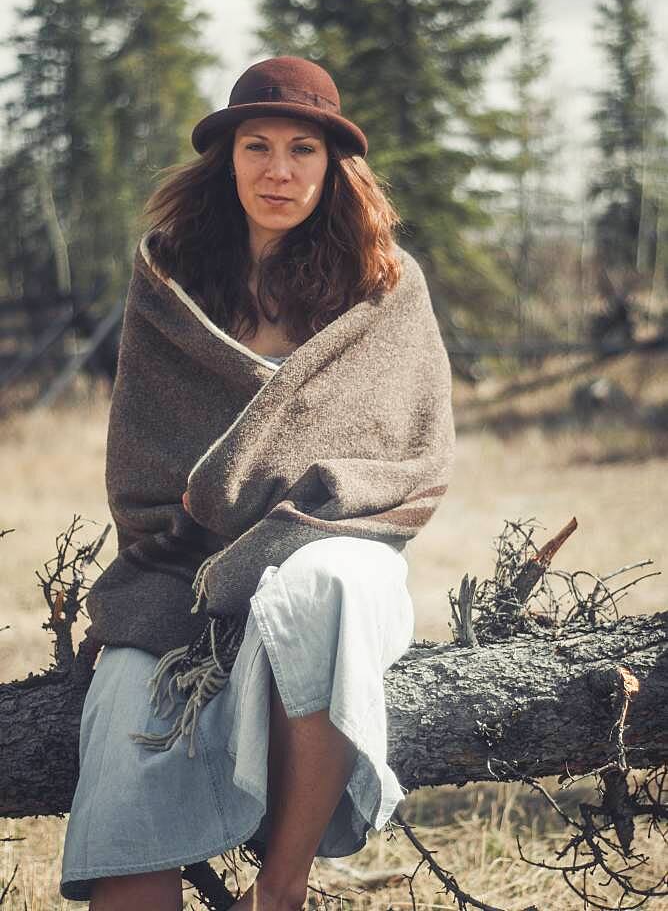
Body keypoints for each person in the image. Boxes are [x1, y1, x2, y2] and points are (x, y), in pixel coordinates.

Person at [59, 56, 455, 910]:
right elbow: (142, 456)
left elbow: (409, 456)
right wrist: (220, 529)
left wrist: (288, 519)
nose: (278, 170)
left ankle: (281, 890)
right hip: (181, 572)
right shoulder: (170, 281)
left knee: (325, 586)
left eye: (302, 149)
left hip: (338, 541)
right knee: (126, 716)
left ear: (332, 165)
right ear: (227, 158)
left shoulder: (383, 288)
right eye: (257, 146)